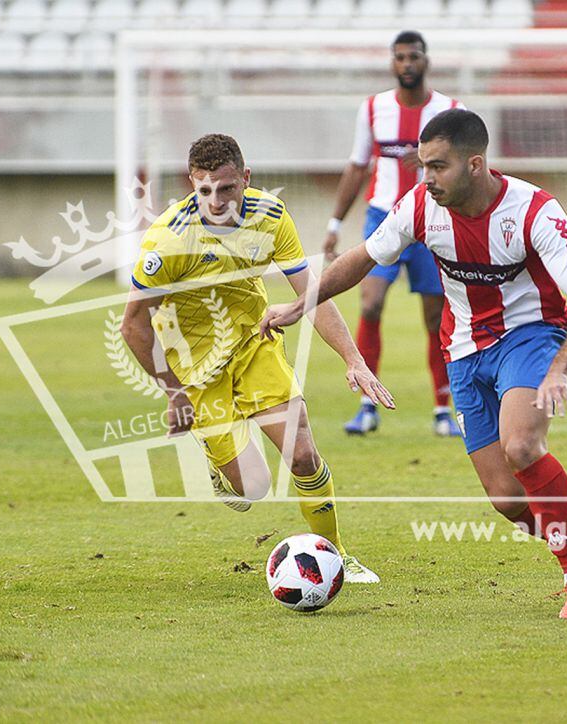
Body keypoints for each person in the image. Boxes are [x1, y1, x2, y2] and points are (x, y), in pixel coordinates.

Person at [264, 110, 567, 619]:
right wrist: (299, 306)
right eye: (422, 166)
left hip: (532, 337)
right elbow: (362, 259)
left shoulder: (535, 210)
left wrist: (560, 369)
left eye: (438, 167)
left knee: (522, 445)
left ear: (475, 164)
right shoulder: (419, 207)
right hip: (464, 350)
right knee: (506, 500)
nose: (426, 178)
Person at [120, 133, 389, 583]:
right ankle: (219, 463)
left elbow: (312, 296)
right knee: (254, 488)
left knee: (302, 453)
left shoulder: (270, 216)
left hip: (253, 344)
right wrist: (174, 393)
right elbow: (133, 325)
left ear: (245, 178)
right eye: (204, 190)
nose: (216, 201)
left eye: (227, 188)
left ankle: (338, 557)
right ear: (192, 184)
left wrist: (353, 359)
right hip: (198, 372)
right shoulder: (168, 241)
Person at [323, 30, 462, 438]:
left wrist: (425, 168)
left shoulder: (450, 111)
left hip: (433, 220)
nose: (407, 64)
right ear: (392, 62)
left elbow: (464, 167)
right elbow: (356, 165)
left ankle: (442, 408)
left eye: (413, 56)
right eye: (400, 57)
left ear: (426, 60)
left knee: (436, 316)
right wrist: (334, 224)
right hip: (383, 217)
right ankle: (367, 404)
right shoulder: (373, 109)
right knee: (370, 304)